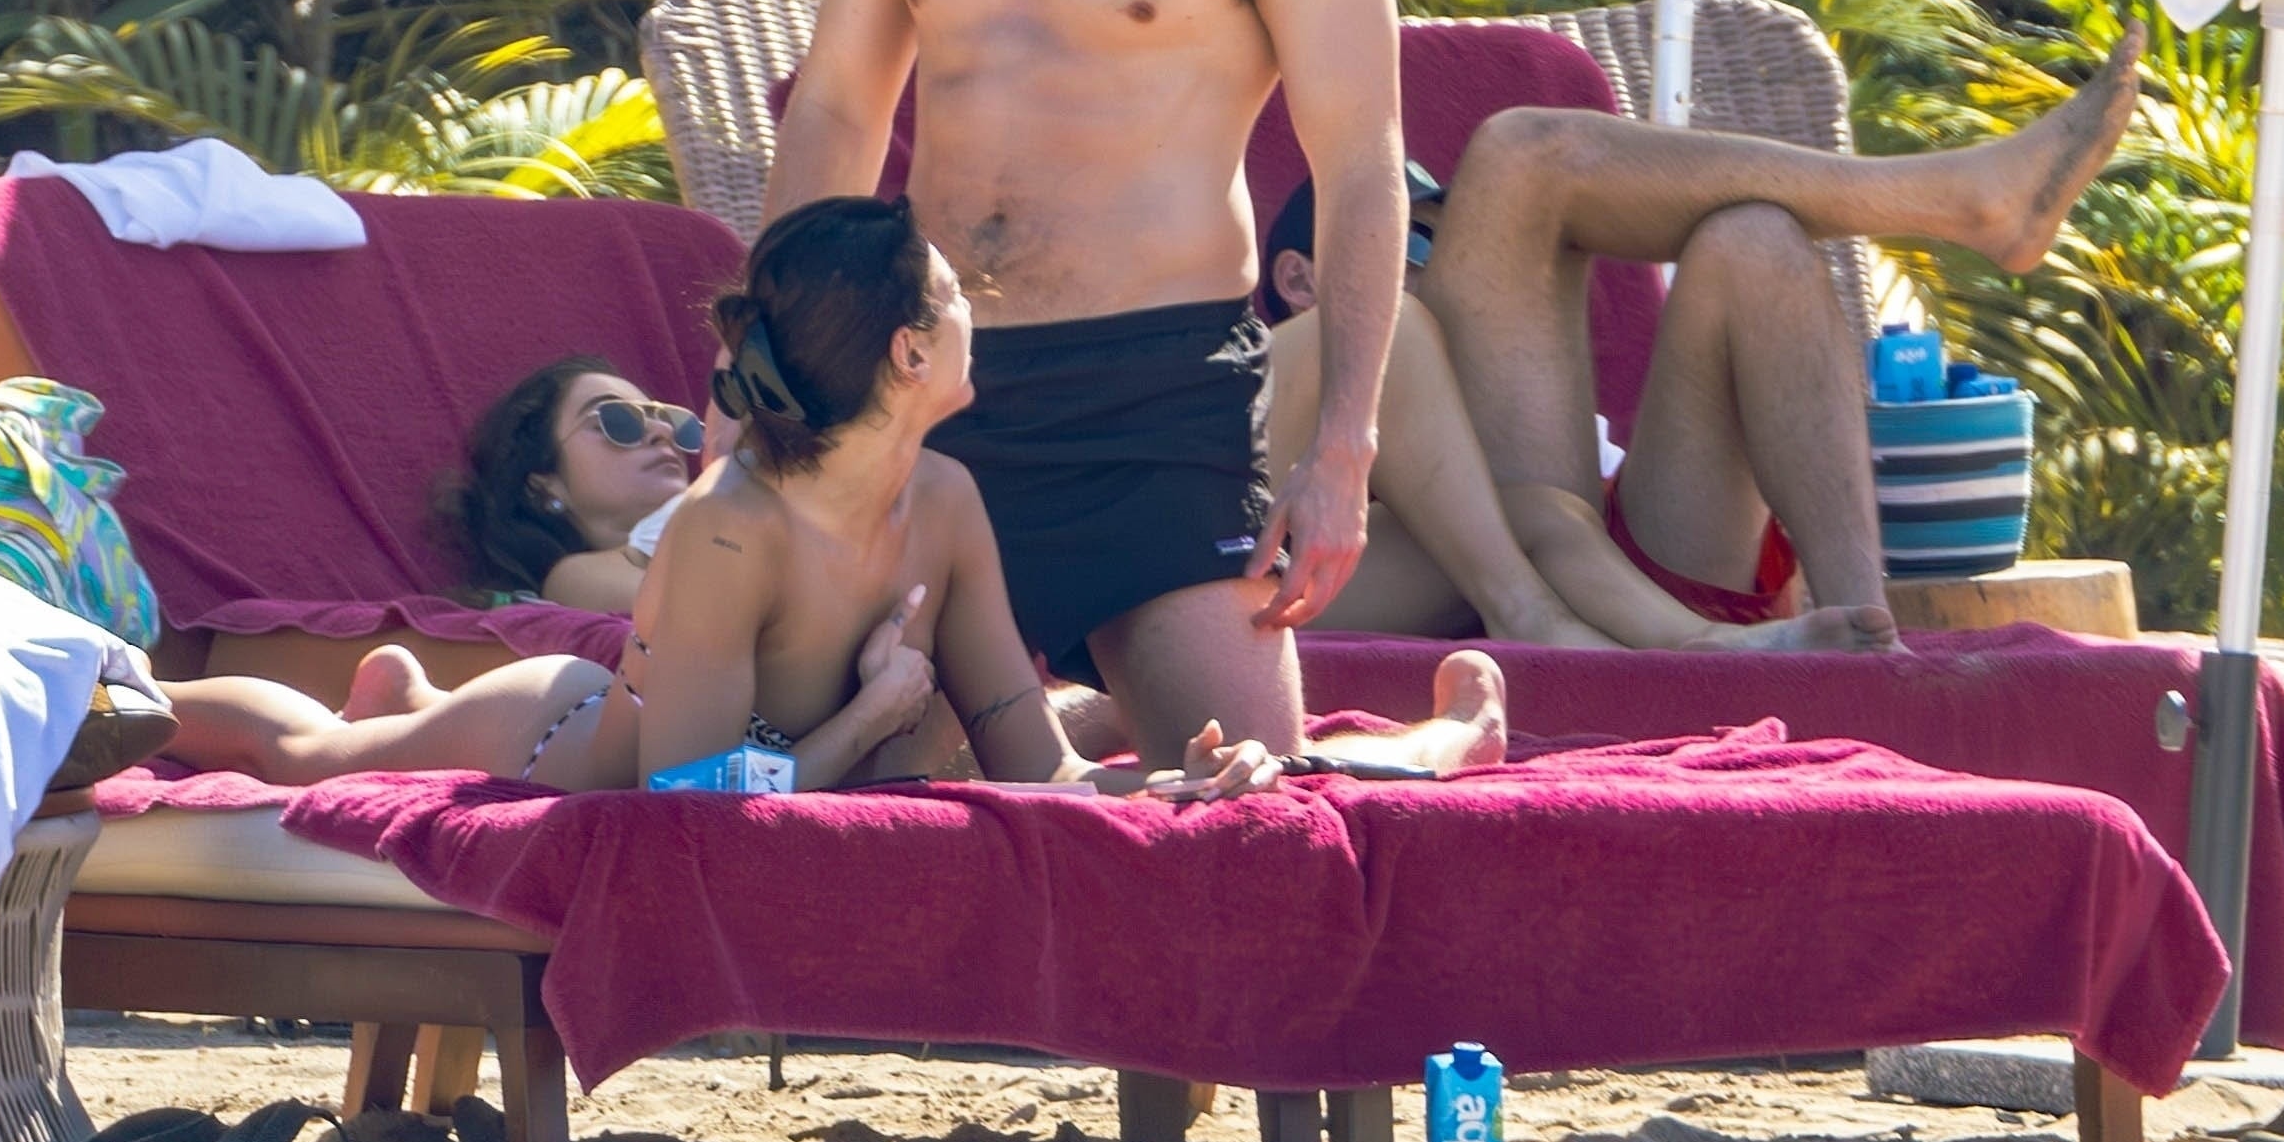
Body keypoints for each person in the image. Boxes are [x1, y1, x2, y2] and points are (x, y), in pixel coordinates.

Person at [762, 0, 1406, 768]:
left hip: (1155, 398)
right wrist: (761, 365)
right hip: (928, 377)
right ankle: (1049, 721)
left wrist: (1344, 443)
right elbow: (839, 105)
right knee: (868, 780)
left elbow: (1361, 160)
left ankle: (1118, 719)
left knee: (1241, 793)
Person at [157, 198, 1510, 794]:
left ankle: (394, 693)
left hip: (825, 749)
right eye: (956, 294)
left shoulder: (946, 498)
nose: (981, 308)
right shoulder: (724, 528)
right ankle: (128, 698)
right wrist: (868, 712)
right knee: (313, 757)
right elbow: (685, 790)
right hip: (558, 736)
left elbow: (1026, 757)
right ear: (911, 354)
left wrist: (1157, 786)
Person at [1409, 24, 2147, 636]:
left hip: (1624, 535)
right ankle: (1957, 200)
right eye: (1420, 235)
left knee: (1753, 240)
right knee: (1518, 156)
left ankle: (1864, 635)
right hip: (1473, 557)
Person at [1257, 174, 1893, 650]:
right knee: (1390, 322)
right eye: (1417, 243)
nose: (1449, 273)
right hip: (1272, 577)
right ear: (1300, 280)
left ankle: (1704, 644)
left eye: (1454, 250)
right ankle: (1537, 617)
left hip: (1557, 558)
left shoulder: (1453, 390)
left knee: (1547, 512)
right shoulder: (1272, 374)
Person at [449, 356, 702, 615]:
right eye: (619, 421)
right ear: (545, 484)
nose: (663, 431)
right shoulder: (573, 581)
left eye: (672, 422)